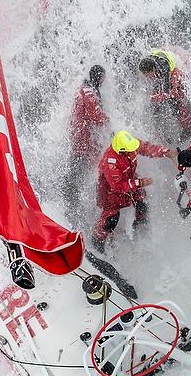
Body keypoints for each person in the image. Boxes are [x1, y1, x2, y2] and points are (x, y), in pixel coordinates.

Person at [92, 131, 173, 253]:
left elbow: (146, 148)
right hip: (110, 192)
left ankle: (140, 228)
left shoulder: (130, 144)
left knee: (142, 203)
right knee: (111, 219)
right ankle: (98, 240)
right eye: (130, 151)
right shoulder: (110, 162)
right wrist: (139, 183)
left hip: (130, 181)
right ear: (122, 151)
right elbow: (117, 186)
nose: (134, 152)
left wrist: (165, 152)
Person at [65, 65, 109, 220]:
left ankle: (71, 203)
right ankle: (74, 208)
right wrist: (110, 125)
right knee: (81, 173)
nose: (104, 81)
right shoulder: (90, 92)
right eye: (103, 77)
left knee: (76, 172)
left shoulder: (83, 87)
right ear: (99, 77)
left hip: (78, 136)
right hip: (84, 141)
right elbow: (96, 116)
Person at [138, 49, 191, 142]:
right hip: (162, 54)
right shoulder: (148, 62)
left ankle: (189, 128)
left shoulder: (165, 69)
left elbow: (168, 93)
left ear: (153, 70)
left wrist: (154, 97)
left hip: (174, 68)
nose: (146, 76)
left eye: (147, 74)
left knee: (174, 100)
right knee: (155, 104)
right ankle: (158, 127)